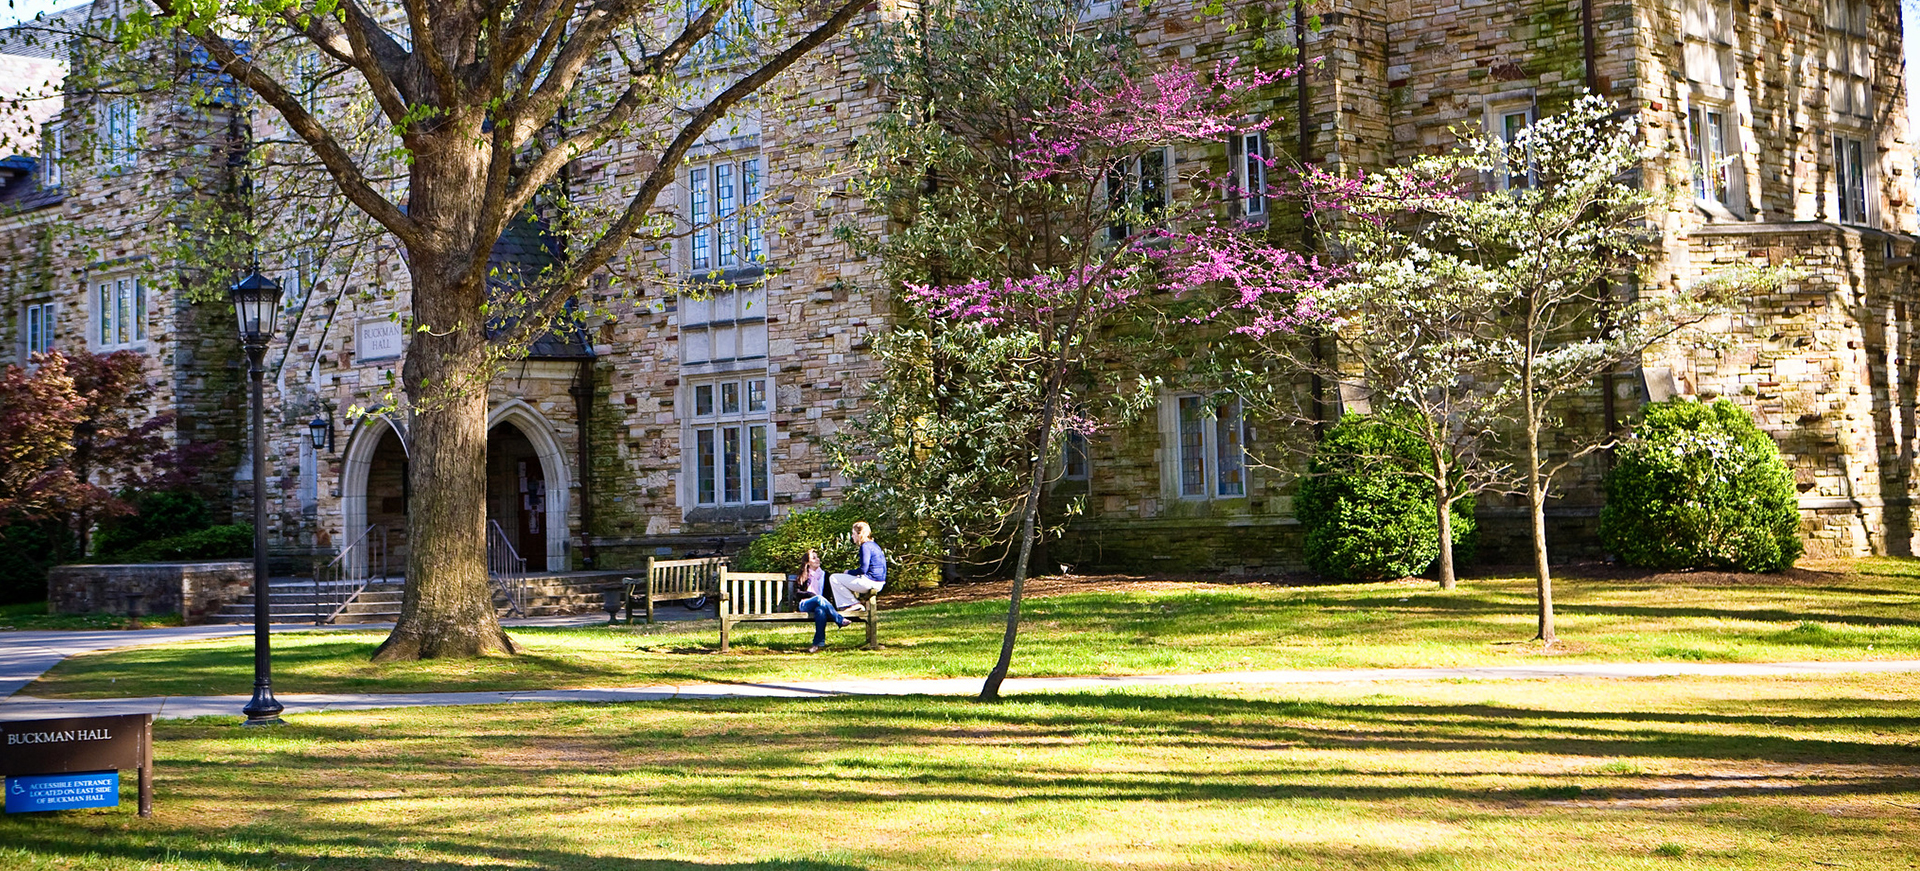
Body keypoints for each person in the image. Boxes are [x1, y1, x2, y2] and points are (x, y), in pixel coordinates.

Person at [795, 548, 847, 653]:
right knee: (818, 598)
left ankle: (817, 644)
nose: (817, 559)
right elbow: (797, 593)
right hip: (805, 604)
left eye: (817, 557)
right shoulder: (803, 575)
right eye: (814, 558)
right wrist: (810, 595)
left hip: (821, 605)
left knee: (820, 611)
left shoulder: (825, 575)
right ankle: (839, 619)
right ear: (807, 562)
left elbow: (829, 595)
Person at [829, 521, 887, 613]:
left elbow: (863, 569)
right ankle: (852, 604)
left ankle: (852, 604)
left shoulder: (865, 546)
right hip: (880, 582)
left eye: (853, 533)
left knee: (834, 578)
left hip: (870, 582)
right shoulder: (874, 545)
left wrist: (848, 572)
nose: (852, 536)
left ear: (859, 534)